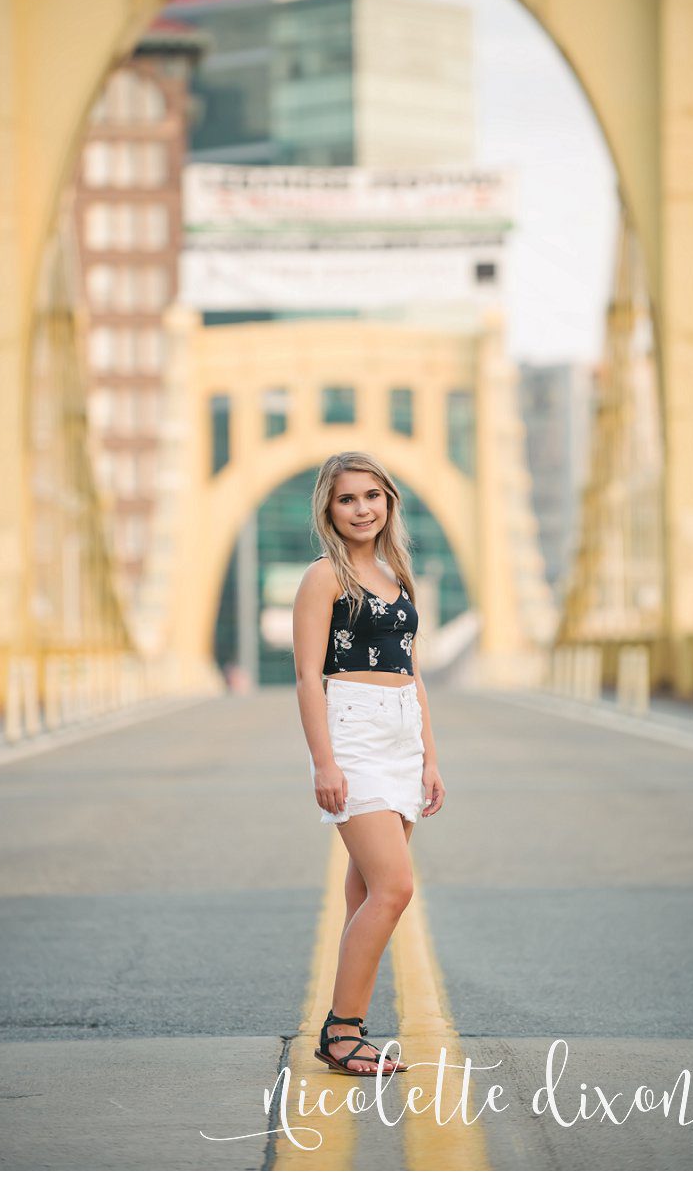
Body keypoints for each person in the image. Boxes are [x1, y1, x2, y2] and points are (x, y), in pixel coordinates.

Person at [291, 452, 448, 1079]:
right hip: (352, 731)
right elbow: (306, 678)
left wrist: (430, 757)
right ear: (330, 509)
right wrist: (324, 762)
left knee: (365, 891)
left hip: (402, 731)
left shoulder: (397, 576)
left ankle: (350, 1023)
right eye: (348, 499)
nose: (362, 509)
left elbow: (412, 673)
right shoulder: (322, 578)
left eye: (373, 496)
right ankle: (342, 1029)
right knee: (395, 888)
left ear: (390, 503)